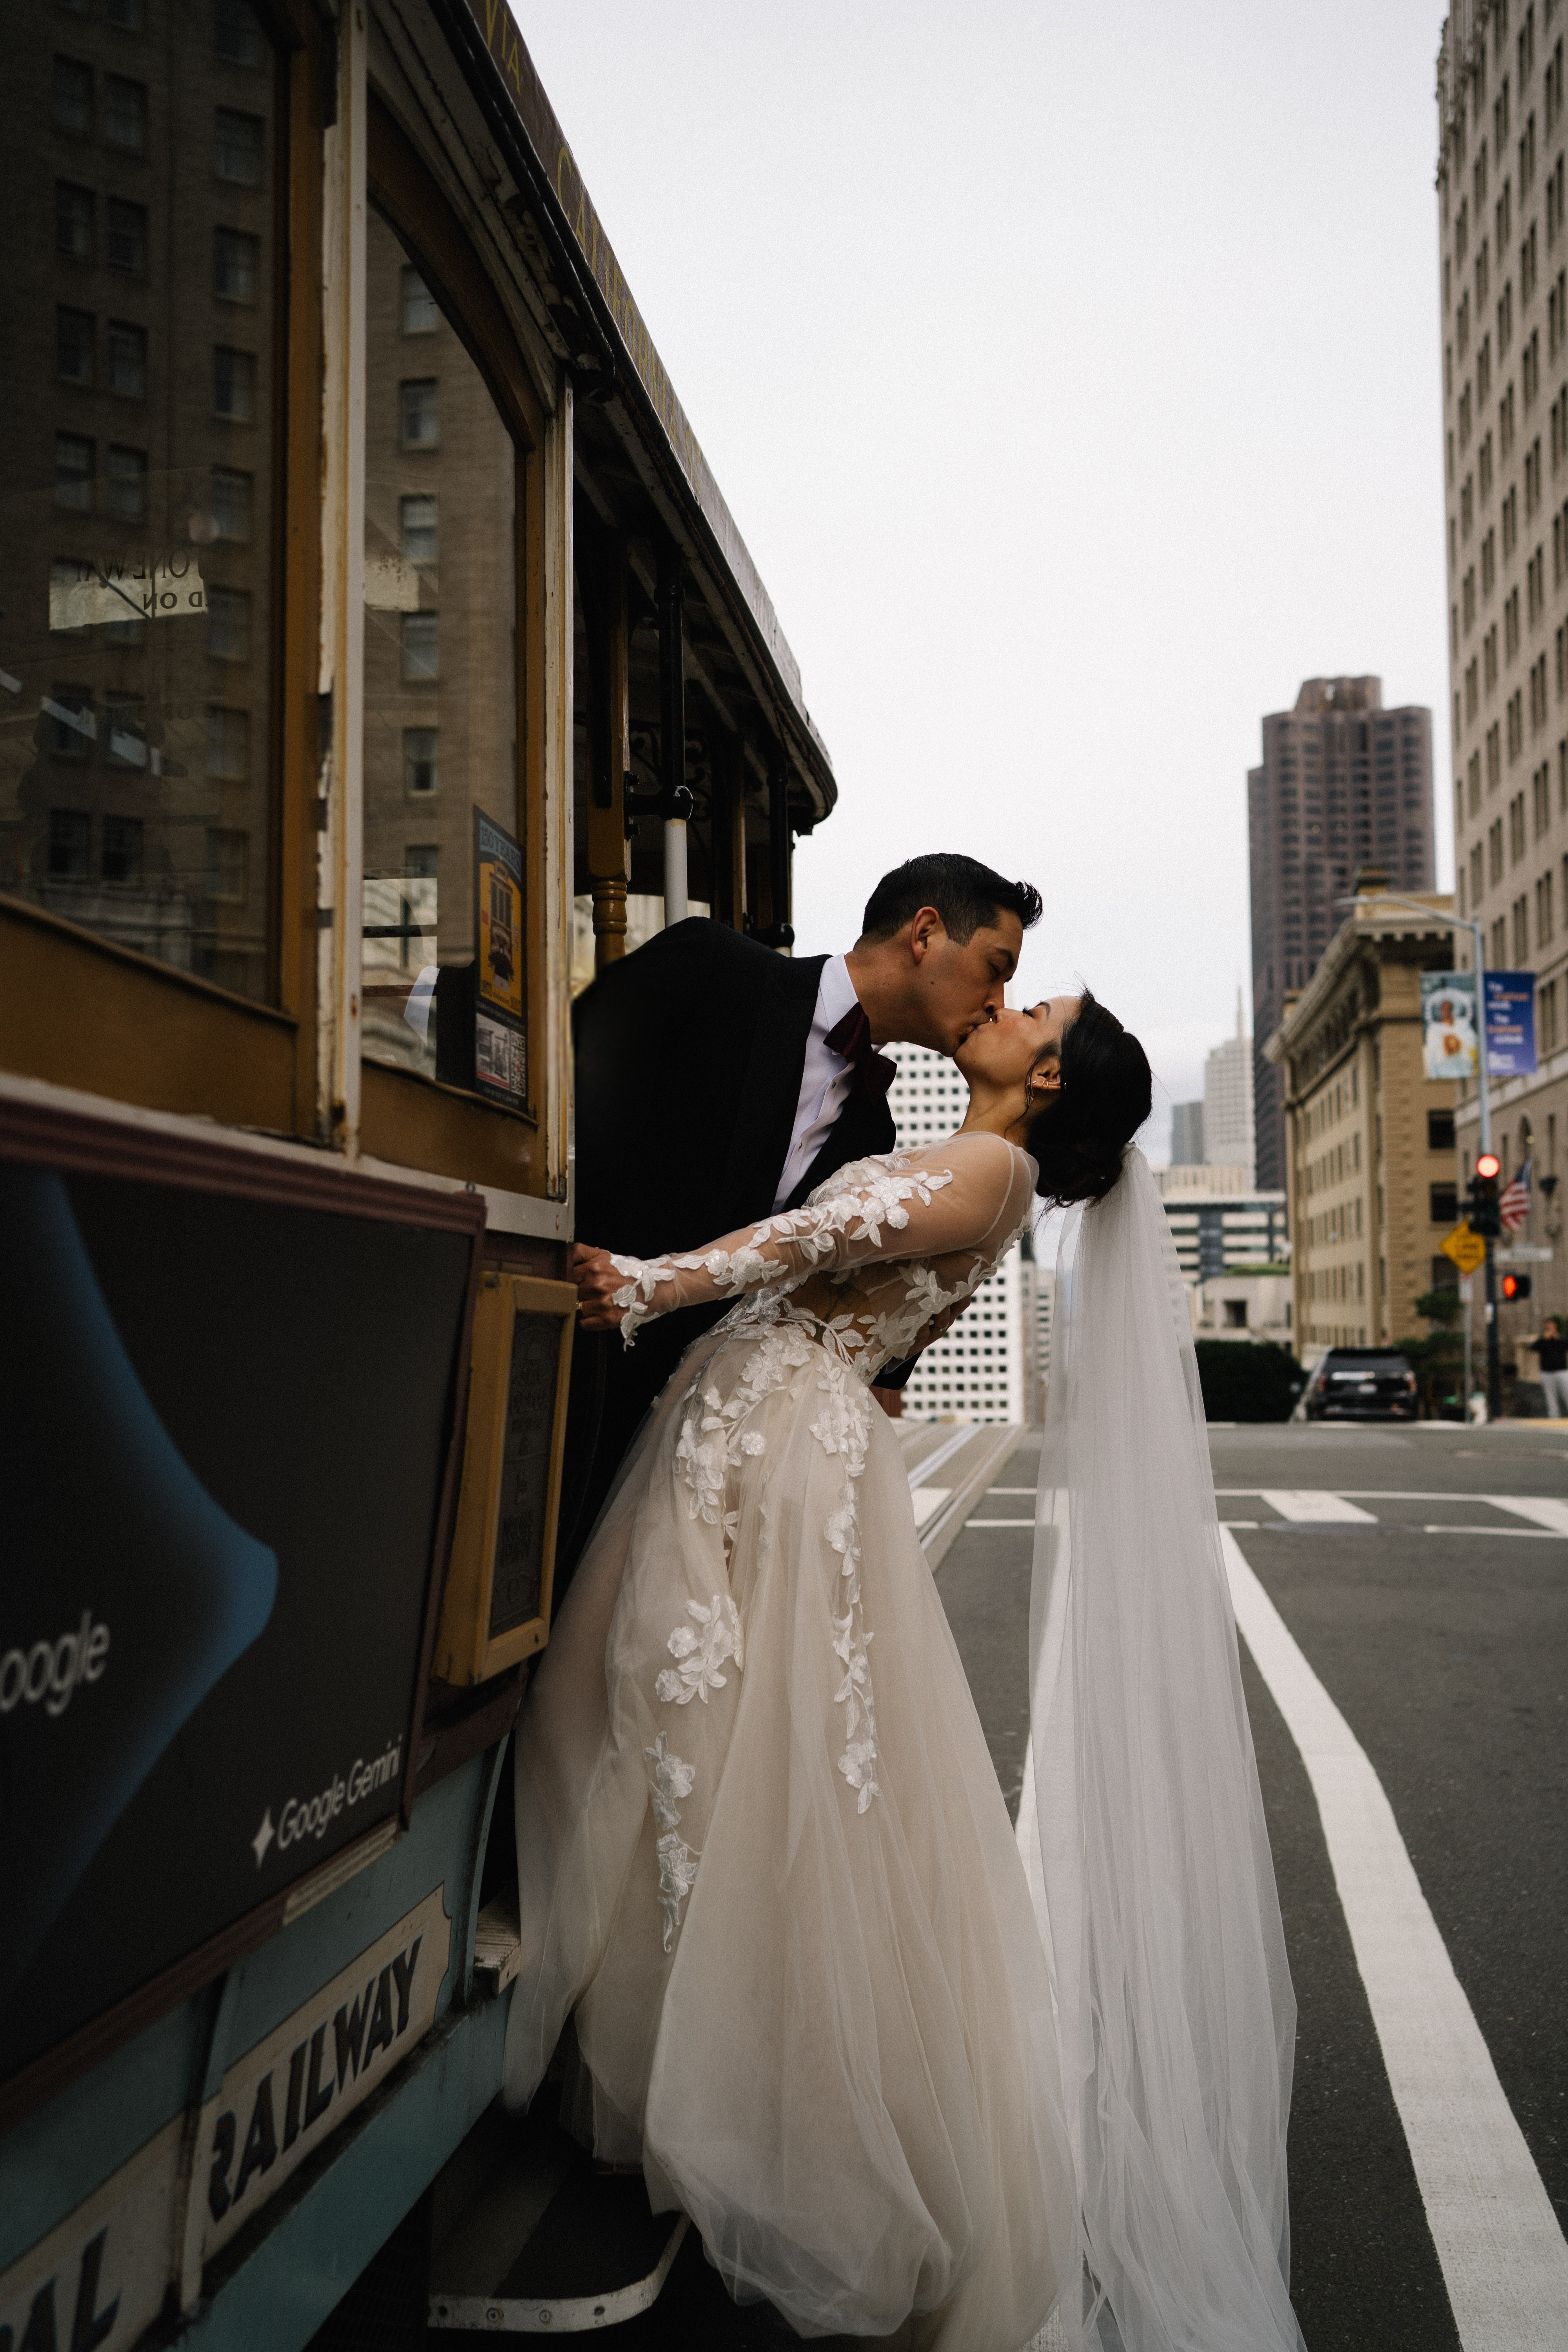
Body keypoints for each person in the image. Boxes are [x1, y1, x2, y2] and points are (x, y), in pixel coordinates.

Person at [505, 989, 1308, 2351]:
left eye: (1031, 1005)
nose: (1004, 1004)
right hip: (768, 1419)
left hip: (769, 1430)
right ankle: (701, 2067)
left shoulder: (991, 1165)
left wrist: (655, 1281)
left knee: (679, 1734)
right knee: (694, 1737)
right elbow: (869, 1276)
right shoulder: (985, 1172)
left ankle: (756, 2105)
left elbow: (825, 1230)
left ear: (1047, 1073)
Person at [555, 854, 1042, 1584]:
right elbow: (555, 1098)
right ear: (926, 934)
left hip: (687, 1435)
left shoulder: (873, 1129)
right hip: (563, 1346)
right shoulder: (709, 965)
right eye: (995, 966)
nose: (999, 999)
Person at [1521, 1317, 1568, 1416]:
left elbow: (1566, 1344)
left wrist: (1557, 1337)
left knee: (1567, 1394)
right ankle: (1554, 1417)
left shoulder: (1561, 1338)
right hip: (1547, 1373)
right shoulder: (1542, 1340)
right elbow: (1534, 1348)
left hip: (1562, 1372)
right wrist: (1545, 1339)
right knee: (1550, 1398)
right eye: (1547, 1327)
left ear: (1555, 1326)